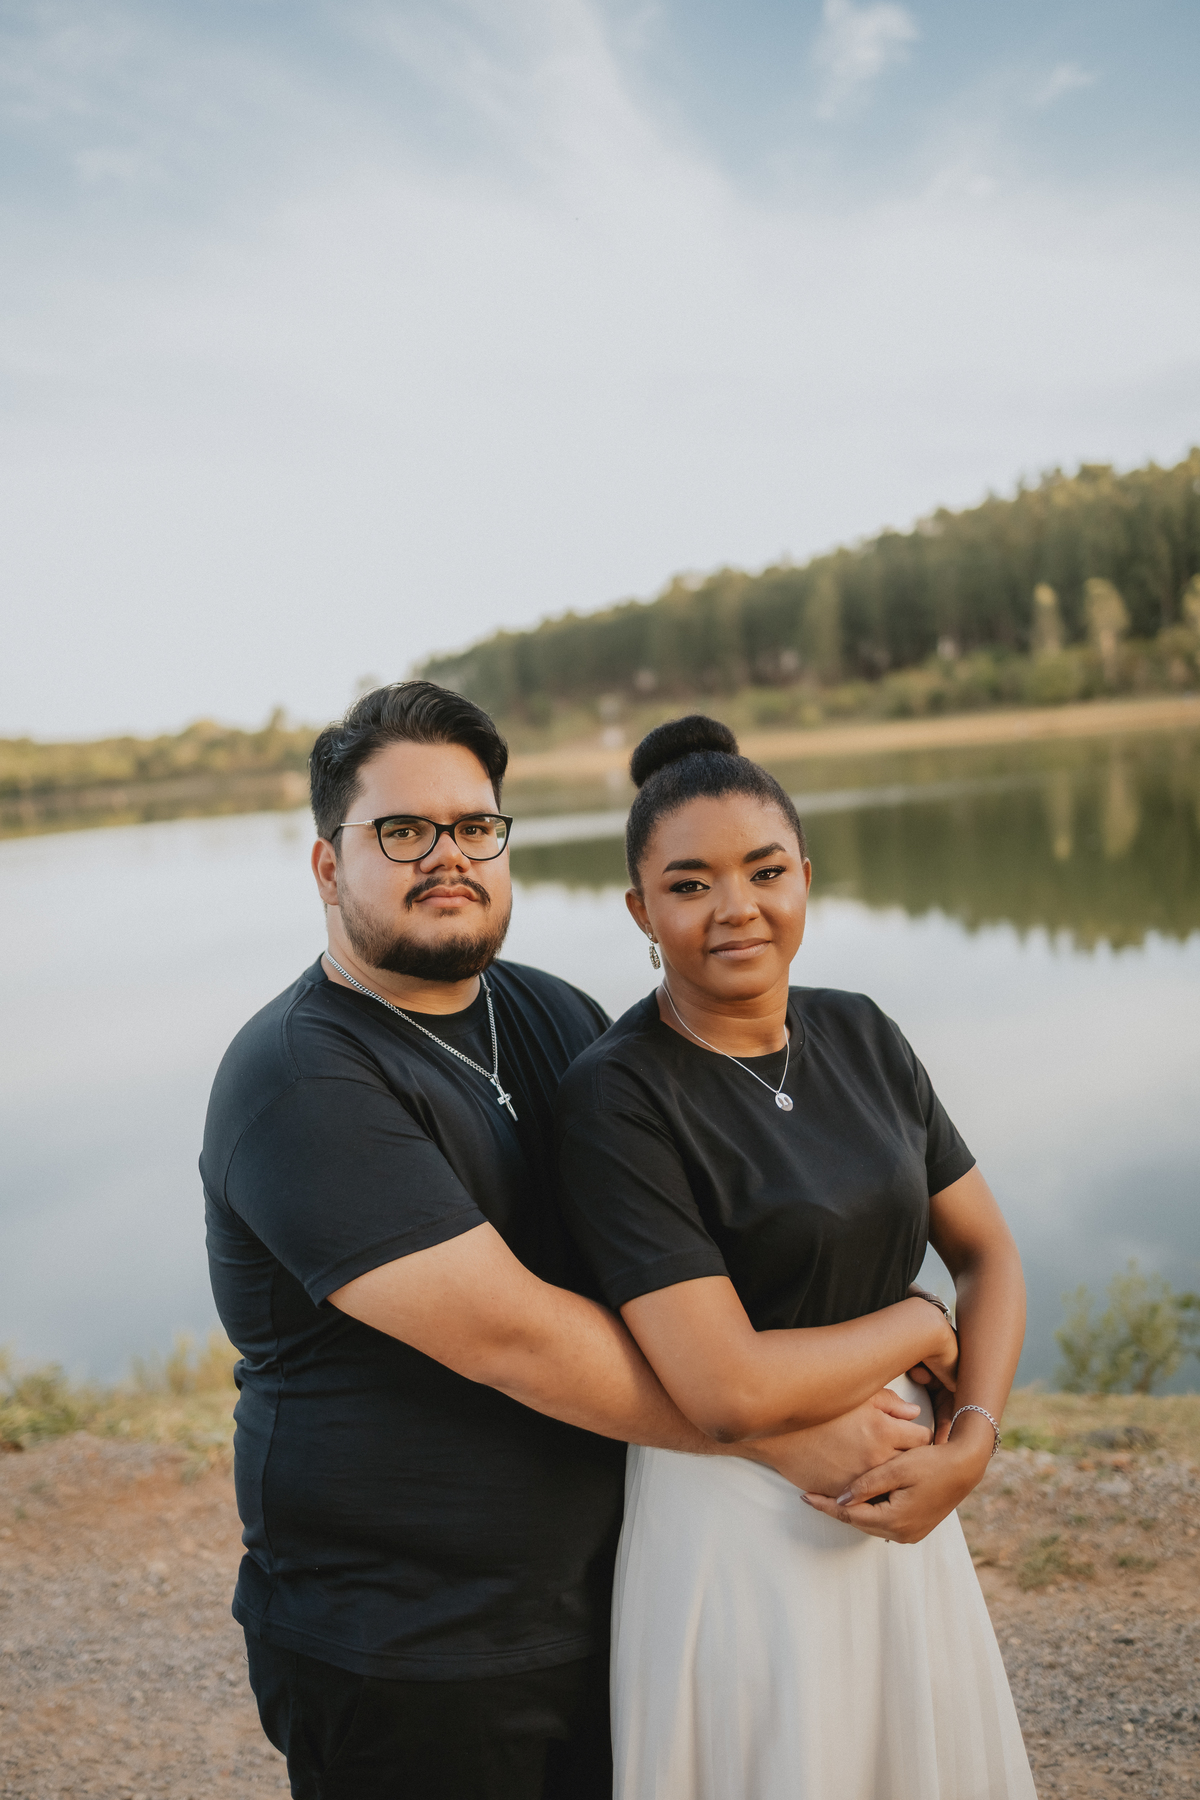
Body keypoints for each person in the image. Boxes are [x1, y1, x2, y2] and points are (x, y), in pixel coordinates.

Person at [200, 681, 948, 1800]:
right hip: (411, 1646)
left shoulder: (552, 1015)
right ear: (326, 865)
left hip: (617, 1596)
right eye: (401, 831)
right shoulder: (299, 1078)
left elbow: (680, 1250)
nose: (446, 856)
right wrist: (777, 1430)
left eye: (475, 826)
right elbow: (518, 1339)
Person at [555, 714, 1037, 1800]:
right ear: (640, 911)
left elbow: (989, 1252)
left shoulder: (861, 1032)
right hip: (738, 1526)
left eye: (765, 871)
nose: (737, 908)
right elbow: (725, 1391)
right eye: (689, 885)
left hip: (909, 1493)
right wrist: (918, 1325)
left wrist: (970, 1445)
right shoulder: (617, 1096)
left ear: (805, 879)